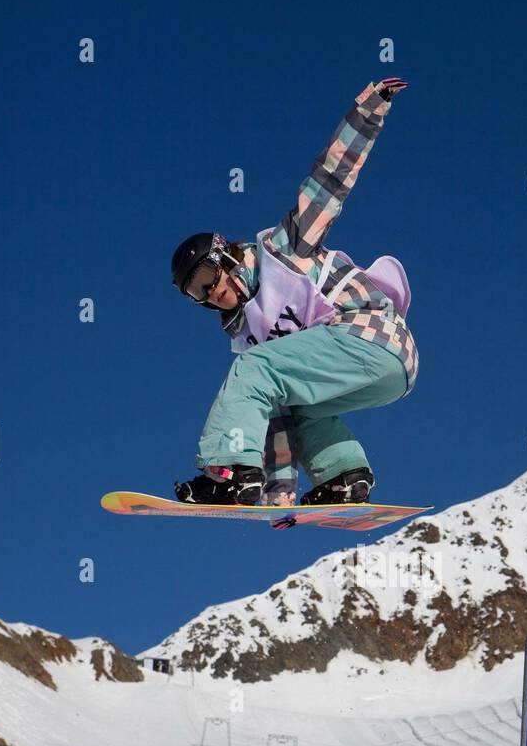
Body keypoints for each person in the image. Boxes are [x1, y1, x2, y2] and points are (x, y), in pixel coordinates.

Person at [171, 76, 418, 508]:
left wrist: (368, 110)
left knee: (251, 371)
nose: (210, 293)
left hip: (371, 332)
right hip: (392, 376)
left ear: (226, 255)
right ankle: (345, 476)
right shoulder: (251, 337)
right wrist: (277, 496)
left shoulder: (283, 249)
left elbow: (329, 181)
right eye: (197, 293)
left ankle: (225, 471)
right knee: (296, 407)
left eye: (208, 276)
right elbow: (278, 421)